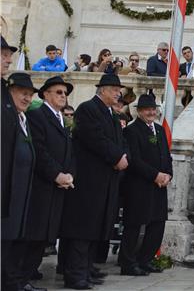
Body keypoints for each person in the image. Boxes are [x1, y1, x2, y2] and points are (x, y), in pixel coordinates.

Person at [60, 73, 128, 290]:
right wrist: (116, 157)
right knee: (82, 228)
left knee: (96, 229)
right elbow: (94, 138)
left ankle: (87, 268)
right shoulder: (88, 109)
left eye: (119, 90)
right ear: (103, 90)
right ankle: (75, 273)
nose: (118, 94)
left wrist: (124, 156)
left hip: (106, 180)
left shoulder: (111, 114)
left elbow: (120, 140)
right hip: (89, 179)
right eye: (115, 90)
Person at [21, 76, 75, 285]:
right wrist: (56, 175)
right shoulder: (38, 115)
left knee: (43, 237)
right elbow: (39, 150)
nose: (63, 96)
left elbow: (69, 152)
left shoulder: (61, 118)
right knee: (33, 236)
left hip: (58, 187)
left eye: (65, 93)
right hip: (41, 186)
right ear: (45, 94)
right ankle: (19, 278)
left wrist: (70, 174)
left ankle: (25, 277)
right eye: (59, 92)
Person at [119, 94, 172, 276]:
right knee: (134, 224)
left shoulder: (159, 129)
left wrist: (168, 175)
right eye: (147, 109)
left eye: (153, 109)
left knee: (157, 223)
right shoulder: (132, 131)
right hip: (139, 185)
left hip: (159, 185)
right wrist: (155, 175)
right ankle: (127, 262)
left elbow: (166, 155)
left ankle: (146, 259)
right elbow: (134, 160)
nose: (151, 112)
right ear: (139, 111)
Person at [1, 73, 38, 291]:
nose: (26, 98)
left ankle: (12, 280)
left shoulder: (24, 119)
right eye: (22, 94)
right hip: (9, 188)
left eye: (29, 95)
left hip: (23, 188)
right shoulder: (7, 118)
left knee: (16, 237)